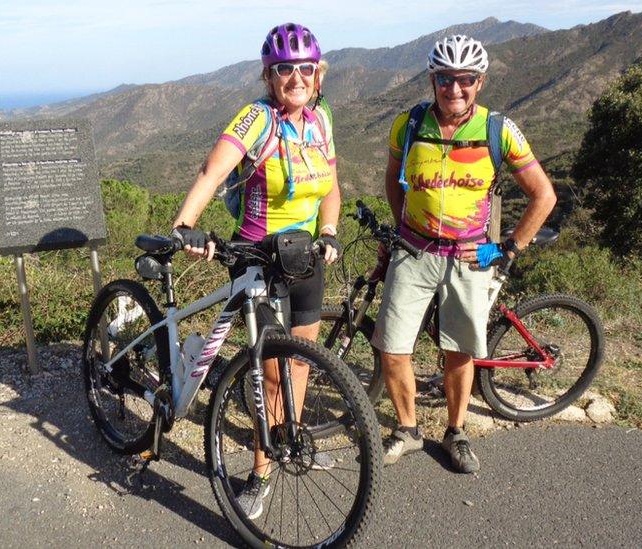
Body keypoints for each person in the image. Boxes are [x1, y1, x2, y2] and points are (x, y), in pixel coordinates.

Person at [170, 23, 341, 519]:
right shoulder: (257, 119)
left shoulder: (320, 122)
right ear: (269, 76)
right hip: (257, 259)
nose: (295, 77)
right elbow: (213, 171)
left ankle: (291, 438)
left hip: (305, 258)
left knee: (303, 361)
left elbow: (331, 186)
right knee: (270, 373)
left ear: (317, 73)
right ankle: (261, 470)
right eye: (284, 69)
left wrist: (329, 232)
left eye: (305, 68)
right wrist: (186, 225)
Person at [371, 34, 556, 473]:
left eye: (466, 79)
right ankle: (408, 429)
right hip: (414, 250)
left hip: (469, 257)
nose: (456, 89)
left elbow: (543, 196)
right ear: (433, 80)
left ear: (481, 82)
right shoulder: (409, 124)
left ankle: (456, 431)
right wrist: (399, 230)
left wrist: (507, 247)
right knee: (393, 349)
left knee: (459, 352)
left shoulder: (498, 130)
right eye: (446, 79)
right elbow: (392, 179)